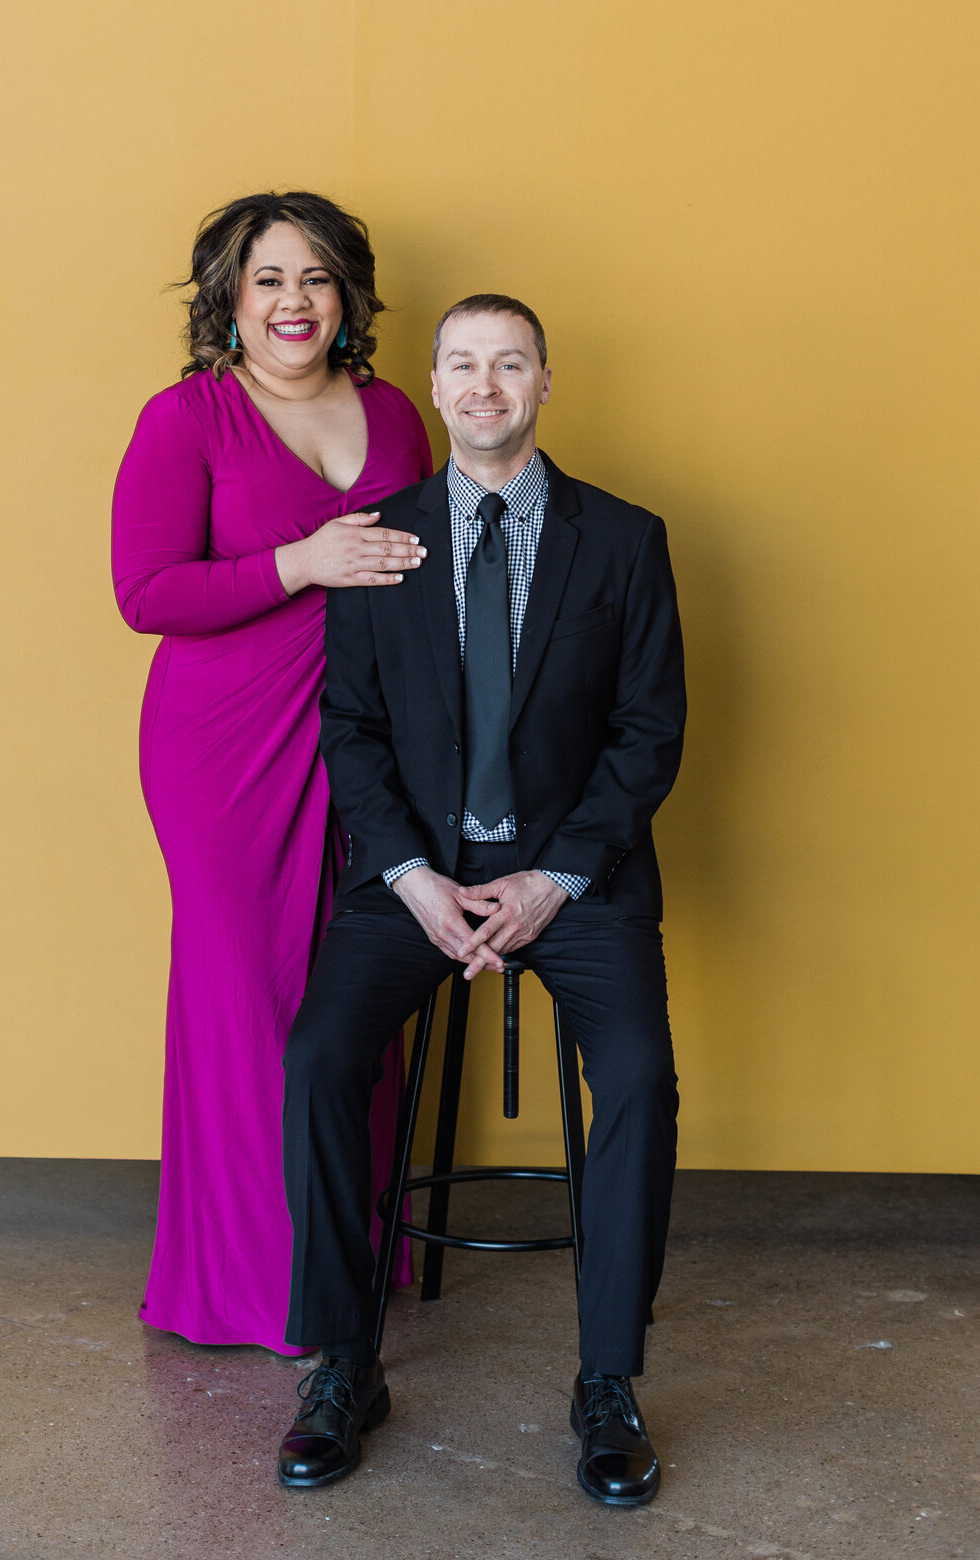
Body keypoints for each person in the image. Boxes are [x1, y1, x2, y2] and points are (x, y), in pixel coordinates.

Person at [277, 294, 686, 1504]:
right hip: (416, 884)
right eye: (463, 365)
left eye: (510, 365)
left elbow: (650, 730)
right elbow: (348, 730)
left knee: (643, 1079)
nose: (485, 386)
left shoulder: (623, 540)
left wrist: (554, 879)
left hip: (579, 881)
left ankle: (607, 1381)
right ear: (438, 385)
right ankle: (344, 1366)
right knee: (317, 1057)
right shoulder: (379, 541)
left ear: (545, 384)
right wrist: (411, 877)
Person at [111, 191, 432, 1353]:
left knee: (362, 993)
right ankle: (260, 1286)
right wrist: (301, 560)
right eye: (267, 281)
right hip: (225, 749)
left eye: (315, 279)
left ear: (347, 296)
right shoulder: (186, 418)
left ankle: (354, 1246)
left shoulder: (398, 413)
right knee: (247, 1004)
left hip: (368, 738)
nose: (293, 302)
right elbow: (146, 593)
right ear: (227, 304)